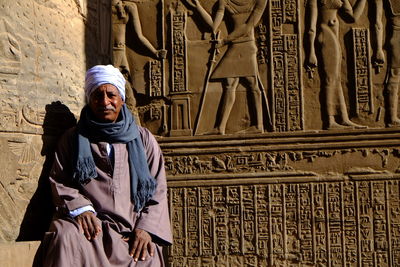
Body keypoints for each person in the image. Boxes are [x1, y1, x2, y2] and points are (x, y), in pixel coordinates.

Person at [34, 65, 172, 266]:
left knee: (147, 256)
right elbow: (60, 181)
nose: (105, 102)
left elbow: (158, 189)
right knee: (65, 235)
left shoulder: (143, 139)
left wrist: (146, 229)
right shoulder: (73, 138)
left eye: (111, 95)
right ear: (90, 100)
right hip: (93, 229)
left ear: (121, 99)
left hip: (132, 230)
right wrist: (82, 210)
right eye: (97, 96)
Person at [186, 0, 267, 135]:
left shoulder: (260, 1)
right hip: (234, 45)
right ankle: (220, 128)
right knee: (230, 83)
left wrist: (224, 41)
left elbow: (247, 27)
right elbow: (213, 26)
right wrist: (198, 7)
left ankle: (258, 125)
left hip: (246, 44)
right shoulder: (225, 1)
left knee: (251, 83)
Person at [305, 0, 366, 129]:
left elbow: (352, 17)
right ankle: (330, 120)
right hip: (325, 35)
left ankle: (343, 117)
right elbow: (311, 27)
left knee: (336, 78)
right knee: (330, 79)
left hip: (333, 36)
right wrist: (310, 51)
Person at [112, 0, 166, 111]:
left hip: (120, 55)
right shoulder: (101, 7)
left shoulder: (129, 7)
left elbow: (139, 36)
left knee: (128, 97)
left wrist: (155, 52)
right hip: (104, 54)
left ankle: (134, 126)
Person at [372, 0, 400, 126]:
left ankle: (393, 116)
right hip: (397, 37)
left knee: (395, 75)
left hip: (396, 38)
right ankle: (392, 117)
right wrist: (378, 49)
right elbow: (377, 23)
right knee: (395, 75)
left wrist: (378, 48)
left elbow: (378, 23)